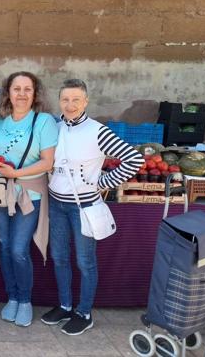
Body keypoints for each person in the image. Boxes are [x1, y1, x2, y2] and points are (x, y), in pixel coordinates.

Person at [41, 79, 143, 335]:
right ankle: (65, 305)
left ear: (85, 101)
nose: (70, 104)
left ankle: (84, 312)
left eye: (76, 99)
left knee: (85, 261)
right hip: (56, 203)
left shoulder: (97, 131)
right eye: (65, 99)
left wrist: (104, 181)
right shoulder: (53, 126)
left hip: (83, 206)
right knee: (60, 258)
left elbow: (134, 159)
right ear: (59, 101)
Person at [0, 71, 58, 327]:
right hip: (0, 192)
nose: (21, 94)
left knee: (19, 249)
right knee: (5, 245)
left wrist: (16, 173)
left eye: (27, 89)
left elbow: (47, 161)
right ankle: (13, 297)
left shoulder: (43, 122)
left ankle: (25, 299)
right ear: (8, 92)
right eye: (16, 88)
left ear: (35, 93)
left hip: (29, 193)